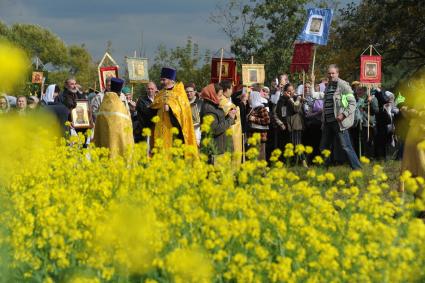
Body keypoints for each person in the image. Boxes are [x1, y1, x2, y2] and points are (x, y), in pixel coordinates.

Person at [320, 64, 361, 169]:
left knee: (346, 147)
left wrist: (343, 114)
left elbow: (353, 103)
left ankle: (357, 169)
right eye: (329, 73)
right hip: (327, 122)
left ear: (337, 73)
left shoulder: (343, 85)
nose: (331, 75)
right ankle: (324, 171)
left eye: (333, 73)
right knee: (324, 147)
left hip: (338, 122)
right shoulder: (328, 86)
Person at [149, 67, 197, 150]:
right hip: (160, 130)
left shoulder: (180, 93)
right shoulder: (160, 94)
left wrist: (171, 108)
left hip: (174, 131)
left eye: (164, 80)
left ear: (171, 80)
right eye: (161, 80)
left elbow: (184, 111)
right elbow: (154, 108)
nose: (161, 82)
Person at [93, 78, 134, 157]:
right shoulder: (100, 96)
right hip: (113, 130)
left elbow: (127, 111)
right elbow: (95, 113)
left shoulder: (121, 97)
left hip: (110, 130)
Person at [201, 83, 236, 161]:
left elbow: (219, 121)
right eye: (220, 95)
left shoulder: (214, 105)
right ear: (212, 94)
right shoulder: (209, 110)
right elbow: (215, 130)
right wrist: (230, 119)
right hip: (215, 149)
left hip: (219, 147)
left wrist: (229, 116)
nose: (221, 98)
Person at [219, 80, 242, 165]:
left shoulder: (225, 99)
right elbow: (232, 111)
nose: (232, 91)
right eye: (231, 88)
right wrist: (239, 107)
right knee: (232, 153)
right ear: (227, 89)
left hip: (232, 129)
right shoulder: (223, 100)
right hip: (230, 130)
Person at [247, 87, 270, 160]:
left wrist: (254, 119)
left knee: (260, 156)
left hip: (260, 136)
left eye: (250, 98)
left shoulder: (261, 108)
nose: (249, 99)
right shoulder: (253, 108)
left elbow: (267, 120)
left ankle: (261, 171)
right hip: (253, 135)